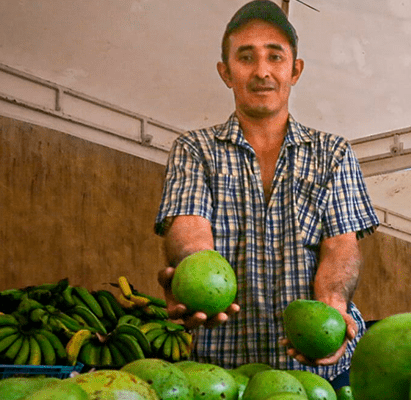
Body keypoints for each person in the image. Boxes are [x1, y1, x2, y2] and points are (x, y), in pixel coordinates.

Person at [152, 0, 379, 388]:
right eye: (246, 57)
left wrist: (332, 307)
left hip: (318, 374)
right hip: (222, 375)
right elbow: (190, 232)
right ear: (226, 72)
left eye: (275, 57)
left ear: (295, 70)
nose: (262, 71)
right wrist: (192, 273)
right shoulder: (195, 149)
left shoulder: (332, 153)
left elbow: (341, 248)